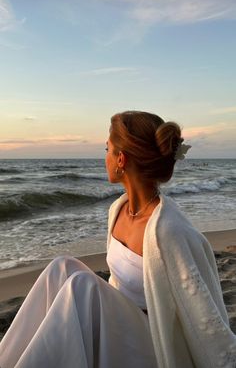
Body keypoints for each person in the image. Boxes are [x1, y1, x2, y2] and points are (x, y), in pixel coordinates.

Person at [0, 110, 235, 368]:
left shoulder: (169, 230)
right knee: (61, 267)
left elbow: (203, 312)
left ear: (121, 159)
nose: (105, 157)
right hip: (119, 326)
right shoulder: (118, 210)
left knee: (81, 286)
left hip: (150, 341)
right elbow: (115, 286)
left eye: (107, 149)